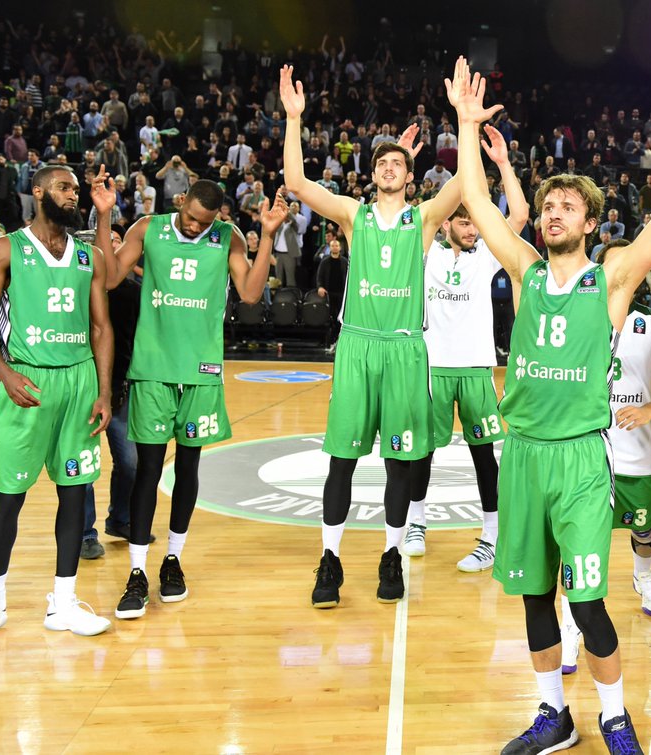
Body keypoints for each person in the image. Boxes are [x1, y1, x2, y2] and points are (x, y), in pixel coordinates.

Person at [451, 58, 651, 753]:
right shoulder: (523, 268)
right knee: (534, 596)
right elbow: (479, 201)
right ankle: (553, 714)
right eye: (547, 206)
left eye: (567, 207)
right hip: (523, 453)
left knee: (586, 600)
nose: (553, 213)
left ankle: (614, 716)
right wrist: (464, 124)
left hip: (581, 459)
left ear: (588, 221)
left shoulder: (610, 279)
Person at [280, 65, 462, 607]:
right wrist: (294, 119)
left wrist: (465, 122)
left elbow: (468, 185)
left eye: (397, 162)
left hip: (404, 348)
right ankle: (330, 559)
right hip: (358, 345)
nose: (388, 167)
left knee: (400, 462)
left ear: (410, 176)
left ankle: (391, 555)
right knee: (342, 459)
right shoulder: (352, 215)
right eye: (381, 161)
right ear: (371, 172)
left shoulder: (424, 219)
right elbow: (296, 183)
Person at [93, 171, 281, 620]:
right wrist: (103, 217)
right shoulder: (148, 228)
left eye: (205, 221)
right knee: (148, 470)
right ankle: (137, 571)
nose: (196, 227)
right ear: (181, 202)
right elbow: (112, 276)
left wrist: (269, 236)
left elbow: (250, 293)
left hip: (201, 372)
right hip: (153, 370)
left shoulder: (228, 237)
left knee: (188, 469)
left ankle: (173, 560)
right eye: (192, 217)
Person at [0, 165, 114, 645]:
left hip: (80, 382)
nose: (72, 195)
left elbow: (101, 328)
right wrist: (6, 374)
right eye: (64, 188)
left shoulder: (88, 255)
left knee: (75, 492)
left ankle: (63, 602)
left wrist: (104, 391)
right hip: (27, 380)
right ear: (38, 192)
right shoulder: (6, 249)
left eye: (75, 190)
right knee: (9, 496)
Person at [561, 238, 651, 673]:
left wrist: (650, 409)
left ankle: (643, 575)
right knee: (578, 542)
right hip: (584, 450)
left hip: (636, 453)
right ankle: (570, 625)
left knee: (644, 527)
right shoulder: (574, 314)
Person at [404, 124, 528, 570]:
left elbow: (518, 215)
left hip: (476, 369)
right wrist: (406, 164)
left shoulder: (488, 257)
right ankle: (416, 522)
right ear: (446, 225)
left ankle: (491, 535)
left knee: (483, 456)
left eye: (475, 221)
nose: (473, 228)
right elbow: (410, 219)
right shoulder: (428, 254)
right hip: (433, 369)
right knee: (423, 451)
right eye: (464, 221)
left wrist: (504, 164)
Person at [76, 225, 153, 559]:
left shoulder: (134, 292)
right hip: (81, 391)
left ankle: (120, 519)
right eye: (101, 243)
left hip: (121, 389)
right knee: (82, 467)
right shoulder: (73, 290)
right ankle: (84, 533)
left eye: (115, 242)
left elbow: (143, 342)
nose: (109, 248)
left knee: (130, 463)